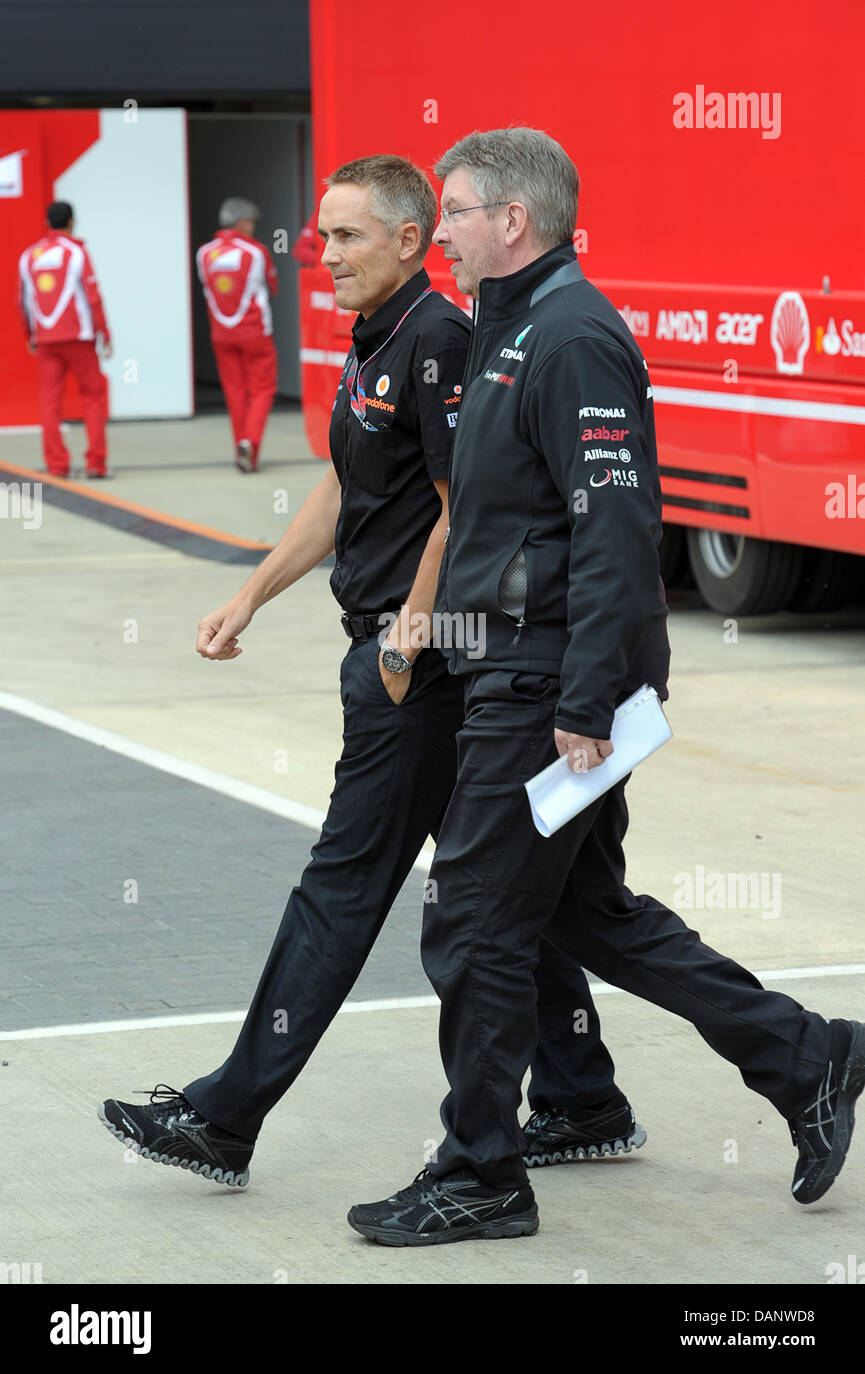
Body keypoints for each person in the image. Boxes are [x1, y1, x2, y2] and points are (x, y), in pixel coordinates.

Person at [347, 128, 865, 1246]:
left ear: (513, 222)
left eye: (456, 212)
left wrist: (586, 701)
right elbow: (506, 519)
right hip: (513, 671)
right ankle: (805, 1054)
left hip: (544, 692)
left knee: (473, 922)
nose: (441, 231)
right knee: (590, 915)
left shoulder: (571, 335)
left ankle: (479, 1171)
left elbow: (617, 526)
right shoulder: (507, 324)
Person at [98, 155, 643, 1187]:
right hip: (405, 659)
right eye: (321, 236)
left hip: (422, 673)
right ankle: (582, 1093)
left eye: (347, 236)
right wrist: (250, 593)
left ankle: (227, 1116)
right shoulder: (376, 341)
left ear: (404, 242)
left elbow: (458, 500)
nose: (324, 254)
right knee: (501, 899)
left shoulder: (437, 340)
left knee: (341, 890)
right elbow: (346, 489)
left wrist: (407, 634)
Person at [18, 200, 111, 479]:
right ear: (72, 223)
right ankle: (96, 463)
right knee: (93, 397)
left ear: (47, 223)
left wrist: (30, 335)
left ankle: (57, 465)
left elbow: (22, 302)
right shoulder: (77, 253)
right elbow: (93, 296)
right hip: (79, 337)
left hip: (46, 339)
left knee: (49, 402)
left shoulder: (29, 256)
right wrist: (104, 332)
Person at [196, 198, 279, 473]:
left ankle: (242, 451)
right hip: (255, 332)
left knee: (234, 392)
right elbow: (273, 284)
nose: (253, 228)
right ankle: (250, 443)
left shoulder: (204, 253)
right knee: (262, 388)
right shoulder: (255, 251)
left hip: (221, 333)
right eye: (252, 222)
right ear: (243, 223)